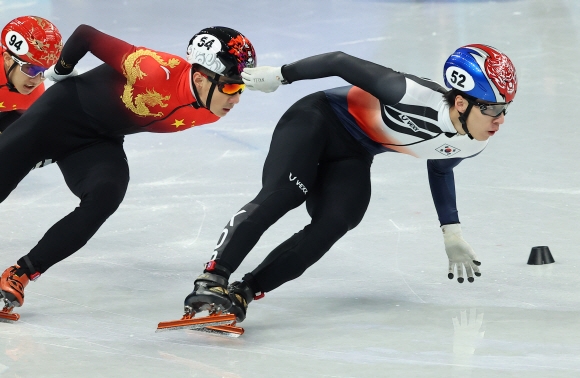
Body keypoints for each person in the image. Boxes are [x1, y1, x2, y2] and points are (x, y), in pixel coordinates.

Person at [182, 44, 517, 323]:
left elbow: (441, 167)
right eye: (494, 109)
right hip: (316, 119)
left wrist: (451, 231)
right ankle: (212, 278)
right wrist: (281, 75)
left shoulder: (475, 140)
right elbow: (339, 62)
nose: (500, 121)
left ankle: (244, 292)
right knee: (284, 194)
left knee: (340, 218)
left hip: (354, 151)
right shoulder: (410, 92)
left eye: (505, 110)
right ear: (461, 102)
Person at [0, 24, 256, 315]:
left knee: (105, 195)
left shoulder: (213, 103)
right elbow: (86, 35)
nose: (236, 99)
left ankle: (20, 273)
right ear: (200, 78)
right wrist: (60, 71)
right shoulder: (153, 69)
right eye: (231, 87)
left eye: (241, 88)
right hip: (56, 115)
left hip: (97, 140)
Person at [1, 16, 61, 141]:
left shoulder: (34, 97)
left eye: (45, 71)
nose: (36, 80)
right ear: (7, 59)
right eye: (30, 69)